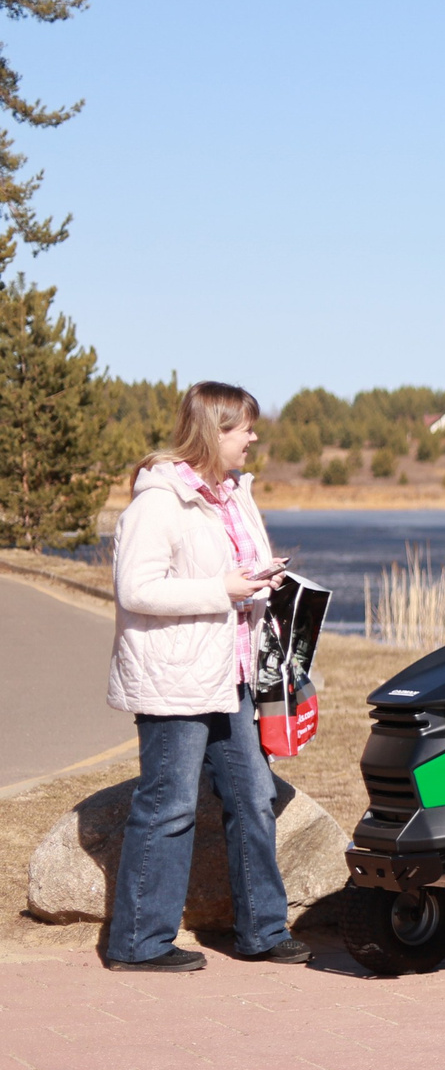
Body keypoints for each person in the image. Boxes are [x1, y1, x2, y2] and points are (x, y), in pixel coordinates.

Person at [103, 381, 309, 971]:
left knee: (253, 797)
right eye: (244, 427)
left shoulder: (235, 494)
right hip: (175, 675)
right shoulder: (159, 501)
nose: (253, 437)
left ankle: (264, 932)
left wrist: (259, 580)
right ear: (214, 430)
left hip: (232, 673)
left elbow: (230, 572)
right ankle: (138, 944)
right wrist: (223, 589)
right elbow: (136, 590)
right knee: (169, 805)